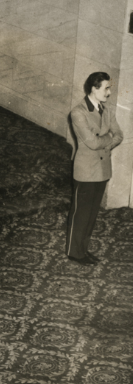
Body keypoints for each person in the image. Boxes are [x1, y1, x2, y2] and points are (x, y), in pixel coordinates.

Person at [66, 72, 123, 264]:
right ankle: (74, 252)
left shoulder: (106, 110)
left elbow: (119, 134)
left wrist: (103, 140)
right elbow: (91, 142)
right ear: (94, 88)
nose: (109, 92)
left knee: (91, 215)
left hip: (102, 170)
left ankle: (83, 250)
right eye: (106, 88)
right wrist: (107, 139)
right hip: (86, 171)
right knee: (80, 213)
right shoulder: (78, 112)